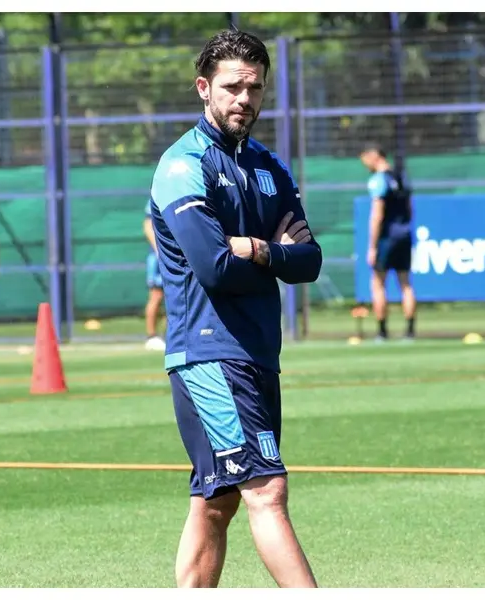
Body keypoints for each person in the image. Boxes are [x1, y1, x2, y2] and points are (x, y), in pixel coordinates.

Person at [149, 29, 322, 589]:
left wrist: (260, 248)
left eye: (255, 87)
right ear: (204, 88)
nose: (244, 98)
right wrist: (277, 254)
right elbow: (214, 268)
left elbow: (310, 260)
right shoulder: (183, 165)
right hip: (209, 353)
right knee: (266, 490)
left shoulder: (270, 167)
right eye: (232, 87)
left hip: (256, 352)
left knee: (217, 498)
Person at [360, 144, 416, 341]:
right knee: (405, 284)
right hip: (404, 234)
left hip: (386, 238)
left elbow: (377, 215)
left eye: (365, 160)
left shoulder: (378, 180)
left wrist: (372, 247)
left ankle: (382, 332)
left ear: (373, 156)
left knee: (378, 284)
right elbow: (410, 210)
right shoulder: (401, 177)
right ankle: (410, 331)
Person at [143, 198, 167, 351]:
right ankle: (151, 336)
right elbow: (147, 226)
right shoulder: (157, 196)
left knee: (178, 297)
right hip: (159, 258)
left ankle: (169, 335)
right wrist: (159, 251)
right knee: (156, 296)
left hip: (177, 256)